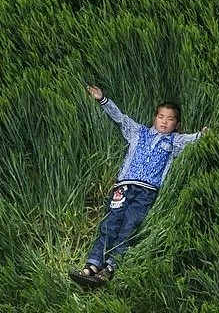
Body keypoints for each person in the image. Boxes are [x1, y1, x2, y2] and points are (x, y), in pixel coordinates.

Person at [69, 85, 206, 287]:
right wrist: (102, 99)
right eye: (161, 117)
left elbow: (194, 139)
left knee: (129, 226)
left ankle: (109, 268)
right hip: (123, 187)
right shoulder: (138, 132)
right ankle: (92, 265)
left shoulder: (175, 141)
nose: (164, 122)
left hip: (147, 191)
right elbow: (120, 118)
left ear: (177, 124)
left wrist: (204, 134)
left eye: (170, 119)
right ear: (154, 118)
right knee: (110, 224)